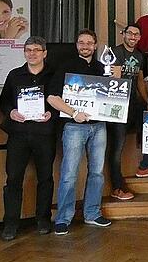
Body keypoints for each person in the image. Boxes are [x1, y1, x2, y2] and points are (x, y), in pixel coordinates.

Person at [47, 29, 116, 235]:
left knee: (97, 173)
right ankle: (63, 218)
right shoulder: (65, 67)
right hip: (74, 126)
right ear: (76, 45)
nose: (85, 46)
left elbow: (115, 98)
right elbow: (52, 98)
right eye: (81, 42)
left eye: (89, 43)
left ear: (95, 46)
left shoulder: (102, 68)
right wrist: (74, 112)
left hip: (99, 126)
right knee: (69, 174)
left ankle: (92, 213)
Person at [0, 36, 56, 241]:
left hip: (44, 134)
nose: (32, 53)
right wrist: (11, 111)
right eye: (28, 50)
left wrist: (52, 114)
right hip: (19, 134)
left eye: (36, 50)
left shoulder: (54, 75)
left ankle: (43, 219)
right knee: (13, 178)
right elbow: (3, 101)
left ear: (44, 53)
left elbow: (62, 101)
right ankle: (11, 223)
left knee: (46, 178)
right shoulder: (15, 75)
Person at [113, 24, 148, 181]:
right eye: (130, 33)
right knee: (118, 145)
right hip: (118, 104)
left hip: (134, 103)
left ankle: (144, 166)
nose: (133, 37)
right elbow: (115, 77)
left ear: (140, 37)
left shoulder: (140, 56)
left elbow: (140, 79)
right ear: (124, 34)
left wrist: (146, 100)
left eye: (136, 34)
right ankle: (117, 184)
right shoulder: (116, 52)